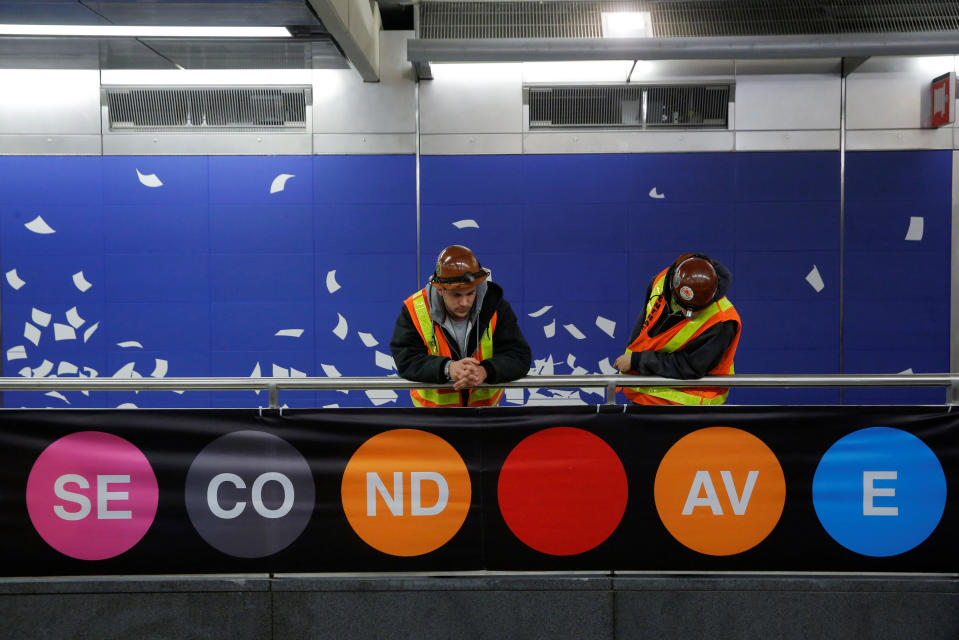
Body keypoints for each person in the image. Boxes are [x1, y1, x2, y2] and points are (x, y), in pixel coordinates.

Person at [390, 245, 532, 407]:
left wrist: (485, 371)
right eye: (456, 295)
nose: (464, 303)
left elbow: (519, 356)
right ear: (440, 289)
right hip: (432, 418)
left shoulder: (495, 307)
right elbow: (406, 359)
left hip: (485, 417)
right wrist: (447, 368)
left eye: (470, 293)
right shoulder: (414, 309)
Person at [614, 253, 741, 405]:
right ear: (674, 292)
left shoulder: (723, 321)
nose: (691, 315)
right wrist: (634, 358)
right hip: (645, 398)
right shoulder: (659, 283)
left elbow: (691, 366)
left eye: (697, 310)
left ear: (711, 298)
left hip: (690, 409)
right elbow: (644, 327)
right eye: (686, 308)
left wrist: (638, 361)